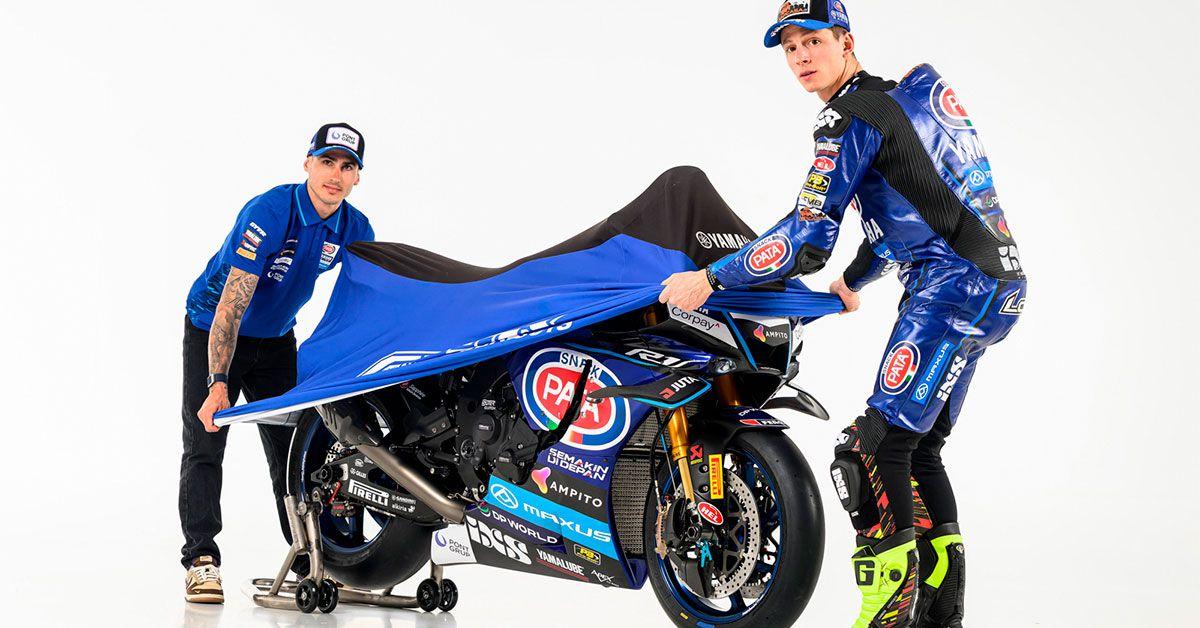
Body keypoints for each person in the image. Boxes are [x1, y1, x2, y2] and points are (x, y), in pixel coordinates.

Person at [657, 2, 1026, 626]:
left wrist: (710, 277)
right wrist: (854, 280)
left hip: (950, 288)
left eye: (814, 41)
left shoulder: (848, 116)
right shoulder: (902, 101)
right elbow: (919, 207)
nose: (801, 57)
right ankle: (940, 618)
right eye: (790, 47)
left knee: (869, 451)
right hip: (998, 286)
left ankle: (885, 618)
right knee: (917, 450)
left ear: (845, 42)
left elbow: (806, 236)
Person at [179, 123, 375, 603]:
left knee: (295, 452)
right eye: (326, 162)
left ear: (357, 177)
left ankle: (310, 557)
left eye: (346, 166)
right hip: (213, 329)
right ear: (307, 164)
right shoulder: (269, 213)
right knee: (206, 441)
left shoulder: (355, 229)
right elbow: (230, 306)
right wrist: (218, 382)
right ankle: (201, 559)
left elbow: (366, 302)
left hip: (276, 339)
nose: (335, 174)